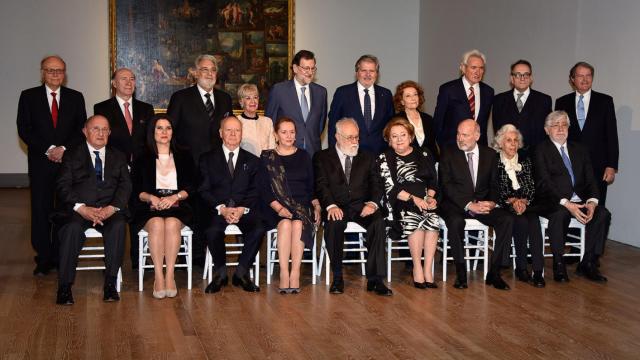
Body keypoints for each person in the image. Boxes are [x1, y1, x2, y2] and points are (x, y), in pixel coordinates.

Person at [17, 55, 87, 276]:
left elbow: (80, 129)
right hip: (41, 163)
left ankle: (61, 255)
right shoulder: (28, 97)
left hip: (68, 165)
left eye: (60, 70)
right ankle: (44, 258)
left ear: (65, 73)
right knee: (40, 210)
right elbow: (24, 129)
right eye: (50, 70)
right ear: (42, 73)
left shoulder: (76, 97)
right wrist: (49, 149)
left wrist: (63, 149)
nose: (55, 74)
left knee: (65, 210)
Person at [52, 115, 131, 305]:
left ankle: (110, 284)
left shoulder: (118, 156)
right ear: (85, 131)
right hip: (79, 210)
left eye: (105, 129)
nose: (101, 133)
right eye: (96, 128)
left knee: (119, 226)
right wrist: (81, 208)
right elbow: (62, 185)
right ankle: (64, 287)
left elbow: (126, 186)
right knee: (71, 229)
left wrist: (112, 208)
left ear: (110, 133)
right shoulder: (72, 154)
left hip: (108, 210)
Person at [167, 54, 233, 266]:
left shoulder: (225, 99)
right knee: (192, 214)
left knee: (213, 212)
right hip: (190, 167)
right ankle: (192, 259)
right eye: (204, 69)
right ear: (195, 73)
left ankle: (212, 257)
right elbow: (171, 133)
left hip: (217, 169)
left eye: (212, 70)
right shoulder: (181, 98)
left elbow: (228, 132)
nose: (209, 74)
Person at [314, 118, 392, 296]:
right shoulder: (322, 157)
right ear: (337, 137)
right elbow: (321, 185)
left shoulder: (367, 157)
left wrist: (372, 204)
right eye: (350, 138)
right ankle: (338, 277)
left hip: (361, 206)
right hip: (336, 205)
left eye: (356, 137)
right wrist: (331, 205)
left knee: (378, 222)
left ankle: (376, 279)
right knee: (334, 225)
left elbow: (377, 184)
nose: (354, 141)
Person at [534, 111, 611, 283]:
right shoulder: (541, 149)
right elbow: (544, 182)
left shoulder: (580, 149)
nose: (561, 128)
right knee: (560, 214)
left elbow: (591, 180)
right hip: (552, 201)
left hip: (579, 200)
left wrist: (591, 202)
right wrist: (567, 204)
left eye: (564, 124)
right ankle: (559, 263)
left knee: (602, 214)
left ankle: (588, 262)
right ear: (547, 130)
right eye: (556, 125)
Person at [439, 119, 514, 290]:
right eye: (458, 134)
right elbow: (446, 185)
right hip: (455, 204)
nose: (460, 138)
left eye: (465, 135)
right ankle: (461, 272)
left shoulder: (490, 155)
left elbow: (495, 185)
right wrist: (468, 204)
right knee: (456, 221)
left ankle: (494, 273)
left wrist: (492, 202)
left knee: (506, 219)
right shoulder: (448, 153)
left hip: (481, 204)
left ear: (477, 136)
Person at [94, 67, 155, 269]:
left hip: (140, 171)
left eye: (132, 79)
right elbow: (102, 141)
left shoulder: (146, 109)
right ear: (114, 83)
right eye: (123, 79)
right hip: (114, 171)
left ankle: (139, 260)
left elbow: (149, 142)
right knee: (114, 216)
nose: (129, 83)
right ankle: (112, 262)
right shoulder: (102, 108)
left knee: (138, 214)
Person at [131, 115, 196, 299]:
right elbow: (135, 189)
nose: (164, 132)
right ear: (152, 132)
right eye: (159, 128)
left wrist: (176, 196)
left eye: (168, 128)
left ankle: (170, 276)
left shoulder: (184, 155)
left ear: (173, 131)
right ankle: (159, 276)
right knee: (158, 223)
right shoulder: (142, 157)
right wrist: (151, 197)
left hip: (178, 204)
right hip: (149, 206)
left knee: (172, 224)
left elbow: (192, 186)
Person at [199, 115, 265, 293]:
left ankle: (241, 273)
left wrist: (242, 208)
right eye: (229, 130)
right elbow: (204, 190)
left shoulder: (253, 160)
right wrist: (221, 208)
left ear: (242, 134)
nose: (233, 134)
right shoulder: (207, 159)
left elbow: (256, 190)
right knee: (212, 230)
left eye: (237, 130)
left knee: (259, 228)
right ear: (221, 133)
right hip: (218, 210)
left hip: (243, 210)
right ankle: (220, 274)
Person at [259, 117, 320, 293]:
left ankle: (295, 272)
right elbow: (263, 189)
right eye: (284, 132)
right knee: (285, 224)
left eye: (292, 132)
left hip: (302, 205)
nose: (288, 135)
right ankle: (284, 273)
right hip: (275, 207)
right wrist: (278, 207)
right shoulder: (267, 157)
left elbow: (311, 186)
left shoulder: (304, 155)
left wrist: (316, 206)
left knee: (298, 223)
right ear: (276, 135)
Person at [378, 118, 440, 289]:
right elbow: (390, 187)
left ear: (411, 136)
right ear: (389, 140)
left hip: (424, 200)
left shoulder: (425, 153)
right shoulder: (385, 157)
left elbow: (433, 182)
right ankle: (417, 268)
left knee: (433, 219)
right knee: (416, 217)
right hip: (400, 201)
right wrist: (415, 199)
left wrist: (430, 197)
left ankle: (428, 269)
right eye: (394, 136)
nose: (399, 139)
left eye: (403, 135)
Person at [554, 61, 619, 206]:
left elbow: (611, 135)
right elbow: (557, 136)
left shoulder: (605, 101)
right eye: (580, 76)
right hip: (569, 166)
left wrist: (611, 166)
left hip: (598, 167)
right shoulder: (562, 102)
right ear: (572, 79)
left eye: (588, 75)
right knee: (571, 210)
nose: (585, 79)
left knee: (597, 211)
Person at [492, 124, 545, 287]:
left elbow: (530, 185)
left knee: (534, 221)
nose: (513, 144)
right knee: (521, 222)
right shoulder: (494, 161)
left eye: (516, 140)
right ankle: (521, 268)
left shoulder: (525, 160)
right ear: (500, 143)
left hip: (525, 204)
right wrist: (512, 201)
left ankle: (538, 271)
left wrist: (524, 201)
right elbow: (496, 188)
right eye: (508, 140)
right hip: (505, 205)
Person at [329, 54, 394, 154]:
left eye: (372, 71)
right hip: (350, 153)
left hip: (379, 154)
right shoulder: (342, 93)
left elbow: (391, 126)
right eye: (364, 70)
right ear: (357, 72)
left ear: (377, 74)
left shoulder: (386, 95)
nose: (368, 75)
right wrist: (333, 154)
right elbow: (333, 125)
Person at [265, 50, 327, 155]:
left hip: (313, 153)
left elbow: (320, 125)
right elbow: (269, 124)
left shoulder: (321, 92)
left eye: (313, 68)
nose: (310, 72)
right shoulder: (279, 90)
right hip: (285, 153)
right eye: (306, 68)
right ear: (295, 68)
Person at [433, 49, 494, 147]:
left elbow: (483, 124)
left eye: (481, 68)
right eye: (473, 67)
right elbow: (438, 123)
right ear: (463, 68)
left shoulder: (488, 92)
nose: (477, 72)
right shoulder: (448, 89)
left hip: (479, 150)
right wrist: (444, 148)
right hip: (453, 149)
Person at [492, 60, 552, 154]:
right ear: (512, 78)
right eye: (518, 74)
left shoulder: (544, 100)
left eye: (526, 74)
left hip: (536, 157)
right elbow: (498, 131)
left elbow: (548, 132)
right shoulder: (498, 100)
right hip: (508, 158)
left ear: (531, 78)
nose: (522, 78)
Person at [393, 81, 439, 160]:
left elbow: (432, 145)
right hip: (407, 163)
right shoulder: (396, 120)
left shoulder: (428, 118)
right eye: (408, 96)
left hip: (429, 163)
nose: (413, 98)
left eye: (415, 94)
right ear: (402, 101)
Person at [237, 83, 275, 156]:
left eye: (255, 97)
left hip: (265, 164)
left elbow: (272, 149)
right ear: (241, 102)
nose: (253, 101)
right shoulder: (236, 121)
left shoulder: (267, 121)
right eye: (248, 98)